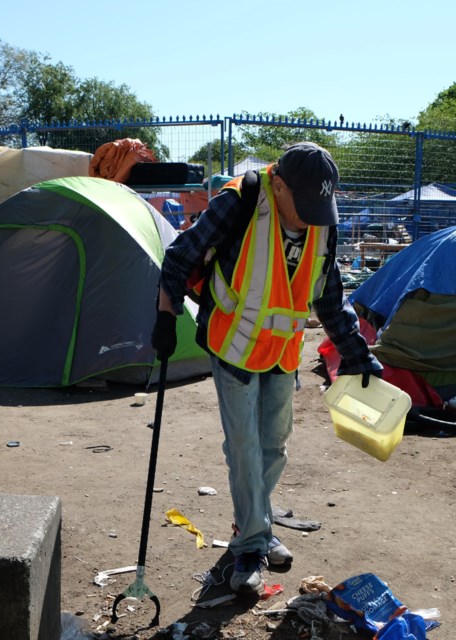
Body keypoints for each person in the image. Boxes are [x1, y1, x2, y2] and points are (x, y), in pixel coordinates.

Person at [152, 142, 382, 595]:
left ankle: (251, 524)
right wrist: (164, 315)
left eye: (322, 205)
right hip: (232, 346)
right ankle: (252, 545)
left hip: (282, 352)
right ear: (277, 185)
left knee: (274, 447)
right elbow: (180, 256)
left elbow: (328, 294)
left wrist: (355, 352)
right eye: (306, 205)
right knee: (244, 448)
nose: (313, 217)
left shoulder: (321, 221)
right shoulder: (239, 201)